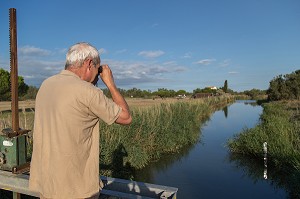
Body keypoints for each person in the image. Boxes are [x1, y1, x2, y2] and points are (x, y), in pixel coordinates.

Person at [29, 42, 132, 199]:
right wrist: (110, 83)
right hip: (75, 190)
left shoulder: (46, 85)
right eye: (98, 70)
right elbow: (126, 117)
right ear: (89, 63)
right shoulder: (87, 91)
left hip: (47, 184)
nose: (98, 75)